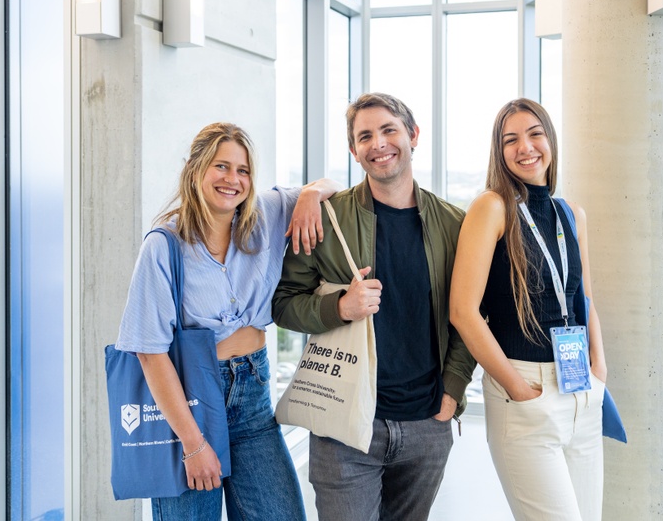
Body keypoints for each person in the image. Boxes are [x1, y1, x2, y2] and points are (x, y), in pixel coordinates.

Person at [115, 122, 341, 520]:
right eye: (221, 166)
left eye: (243, 170)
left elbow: (333, 185)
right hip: (190, 403)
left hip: (253, 394)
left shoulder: (268, 213)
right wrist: (193, 444)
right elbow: (148, 352)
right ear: (196, 170)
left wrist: (308, 195)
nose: (233, 179)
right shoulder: (163, 246)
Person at [272, 92, 476, 521]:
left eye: (389, 130)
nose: (378, 143)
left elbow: (472, 316)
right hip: (343, 425)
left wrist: (453, 390)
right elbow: (284, 304)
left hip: (426, 425)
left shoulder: (455, 225)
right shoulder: (327, 219)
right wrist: (339, 309)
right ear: (354, 151)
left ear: (413, 135)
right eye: (365, 136)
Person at [449, 98, 607, 520]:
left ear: (550, 140)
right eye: (510, 140)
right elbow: (463, 311)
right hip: (525, 392)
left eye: (535, 133)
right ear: (498, 153)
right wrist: (518, 389)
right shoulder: (492, 207)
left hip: (581, 390)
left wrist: (599, 369)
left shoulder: (571, 214)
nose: (526, 147)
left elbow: (583, 297)